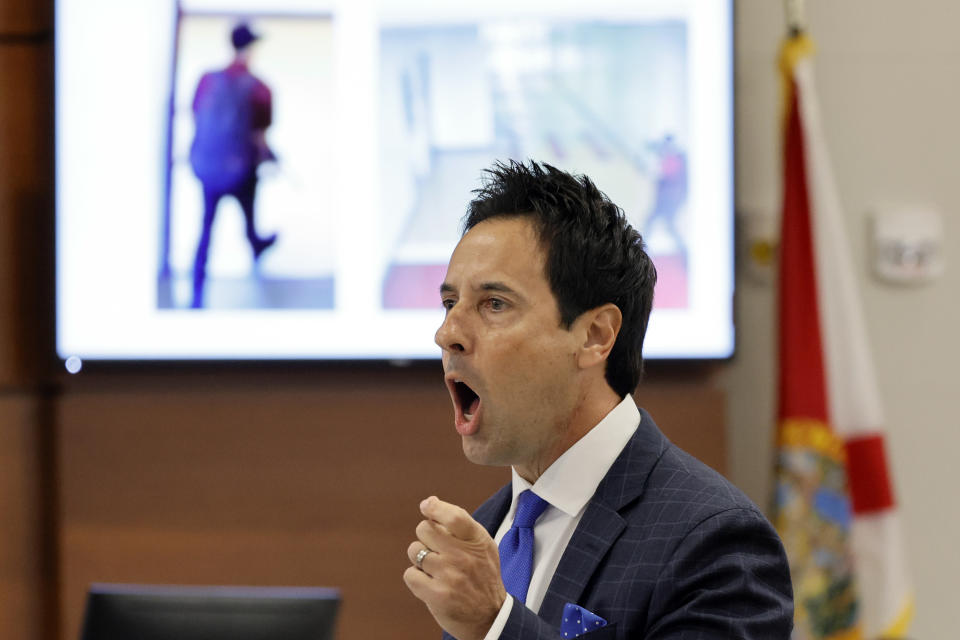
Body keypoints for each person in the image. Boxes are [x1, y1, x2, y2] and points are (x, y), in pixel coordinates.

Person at [403, 160, 793, 640]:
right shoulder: (487, 531)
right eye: (449, 304)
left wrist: (497, 625)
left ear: (594, 335)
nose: (447, 334)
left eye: (494, 304)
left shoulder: (715, 540)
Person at [188, 22, 278, 309]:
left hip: (208, 168)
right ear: (251, 48)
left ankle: (197, 291)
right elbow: (259, 136)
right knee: (249, 221)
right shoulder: (260, 88)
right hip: (241, 171)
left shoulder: (207, 80)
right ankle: (257, 255)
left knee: (206, 229)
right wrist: (271, 157)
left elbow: (197, 116)